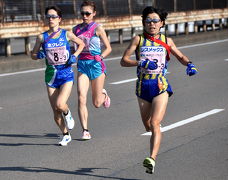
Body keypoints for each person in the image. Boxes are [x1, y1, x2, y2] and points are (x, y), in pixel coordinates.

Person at [120, 6, 198, 174]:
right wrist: (140, 63)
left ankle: (152, 159)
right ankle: (156, 131)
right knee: (148, 126)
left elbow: (179, 56)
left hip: (160, 85)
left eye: (155, 21)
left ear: (162, 23)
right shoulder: (138, 40)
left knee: (155, 123)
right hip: (142, 86)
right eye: (148, 21)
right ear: (144, 23)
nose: (152, 24)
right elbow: (123, 61)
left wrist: (189, 64)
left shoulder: (167, 41)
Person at [31, 6, 85, 146]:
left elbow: (81, 44)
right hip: (51, 75)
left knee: (61, 104)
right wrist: (38, 55)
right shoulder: (41, 37)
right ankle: (66, 135)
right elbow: (33, 54)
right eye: (48, 17)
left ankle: (68, 114)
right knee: (55, 111)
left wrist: (74, 55)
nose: (51, 19)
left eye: (54, 16)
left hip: (66, 73)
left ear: (59, 19)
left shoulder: (66, 34)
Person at [73, 0, 112, 140]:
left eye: (87, 13)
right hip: (83, 65)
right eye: (82, 13)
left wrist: (100, 57)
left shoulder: (98, 28)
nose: (84, 16)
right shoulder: (75, 29)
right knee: (81, 97)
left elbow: (109, 48)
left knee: (96, 103)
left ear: (94, 14)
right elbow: (75, 48)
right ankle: (85, 130)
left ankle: (104, 95)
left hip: (96, 65)